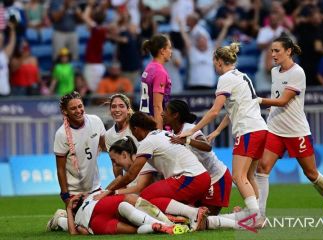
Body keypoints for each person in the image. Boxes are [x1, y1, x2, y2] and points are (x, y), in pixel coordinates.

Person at [179, 42, 268, 223]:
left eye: (214, 62)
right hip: (260, 128)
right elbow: (233, 109)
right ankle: (259, 214)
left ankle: (256, 216)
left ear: (219, 61)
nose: (214, 66)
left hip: (247, 130)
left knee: (238, 176)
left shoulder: (225, 78)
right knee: (249, 176)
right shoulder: (243, 76)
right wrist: (218, 131)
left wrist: (192, 130)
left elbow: (214, 111)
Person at [255, 34, 323, 221]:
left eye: (277, 51)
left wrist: (258, 100)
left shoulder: (298, 72)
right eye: (272, 51)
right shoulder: (274, 72)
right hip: (275, 128)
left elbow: (284, 100)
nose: (273, 54)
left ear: (288, 51)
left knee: (311, 173)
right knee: (262, 167)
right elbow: (276, 97)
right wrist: (266, 107)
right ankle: (260, 215)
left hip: (296, 131)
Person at [94, 111, 211, 231]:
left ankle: (192, 214)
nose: (134, 135)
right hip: (200, 176)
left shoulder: (147, 142)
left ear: (136, 129)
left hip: (191, 178)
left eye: (132, 131)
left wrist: (109, 191)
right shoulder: (163, 133)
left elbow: (130, 176)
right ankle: (191, 217)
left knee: (145, 197)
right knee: (152, 199)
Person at [47, 91, 107, 231]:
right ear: (65, 111)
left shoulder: (95, 121)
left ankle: (66, 219)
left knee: (102, 220)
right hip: (75, 193)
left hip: (96, 188)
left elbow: (106, 146)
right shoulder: (61, 134)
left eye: (80, 106)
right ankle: (61, 220)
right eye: (73, 108)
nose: (79, 111)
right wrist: (65, 196)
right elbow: (60, 168)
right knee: (86, 229)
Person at [162, 99, 232, 215]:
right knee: (190, 217)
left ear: (175, 115)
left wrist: (187, 140)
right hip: (199, 182)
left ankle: (240, 217)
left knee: (205, 220)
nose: (162, 113)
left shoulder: (189, 129)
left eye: (165, 110)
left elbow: (207, 146)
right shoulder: (174, 133)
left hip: (216, 178)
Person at [65, 191, 188, 235]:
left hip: (96, 224)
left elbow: (75, 233)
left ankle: (155, 226)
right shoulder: (90, 197)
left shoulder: (77, 219)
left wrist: (69, 210)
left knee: (134, 230)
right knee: (127, 201)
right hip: (102, 206)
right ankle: (166, 221)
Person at [139, 34, 172, 129]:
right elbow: (157, 106)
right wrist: (159, 133)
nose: (171, 51)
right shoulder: (160, 72)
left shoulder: (149, 67)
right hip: (154, 123)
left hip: (146, 120)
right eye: (169, 48)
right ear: (162, 51)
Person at [0, 21, 16, 97]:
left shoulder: (4, 54)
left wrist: (12, 30)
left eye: (1, 40)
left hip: (4, 91)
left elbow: (12, 42)